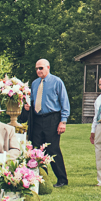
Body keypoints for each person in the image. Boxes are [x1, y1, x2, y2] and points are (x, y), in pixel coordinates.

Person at [25, 59, 70, 187]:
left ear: (48, 67)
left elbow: (64, 102)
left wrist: (63, 121)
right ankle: (41, 178)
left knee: (52, 149)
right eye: (37, 69)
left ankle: (62, 179)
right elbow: (33, 100)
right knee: (36, 149)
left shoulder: (57, 82)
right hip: (37, 118)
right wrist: (29, 107)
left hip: (52, 118)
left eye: (41, 68)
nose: (39, 71)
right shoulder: (34, 83)